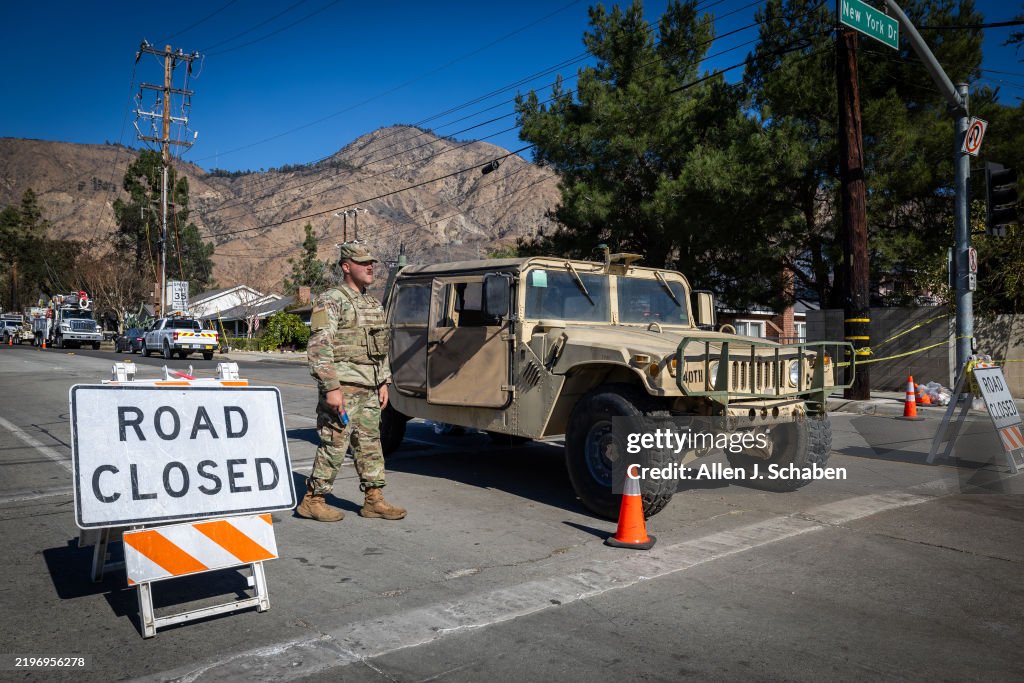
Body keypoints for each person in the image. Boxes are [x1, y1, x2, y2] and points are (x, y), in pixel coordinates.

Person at [297, 242, 407, 522]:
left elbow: (379, 348)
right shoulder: (331, 299)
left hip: (369, 388)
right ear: (346, 267)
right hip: (342, 388)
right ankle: (313, 499)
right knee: (334, 442)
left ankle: (374, 500)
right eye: (362, 262)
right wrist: (331, 388)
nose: (370, 266)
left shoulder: (372, 304)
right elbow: (320, 347)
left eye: (371, 262)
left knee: (371, 445)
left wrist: (383, 381)